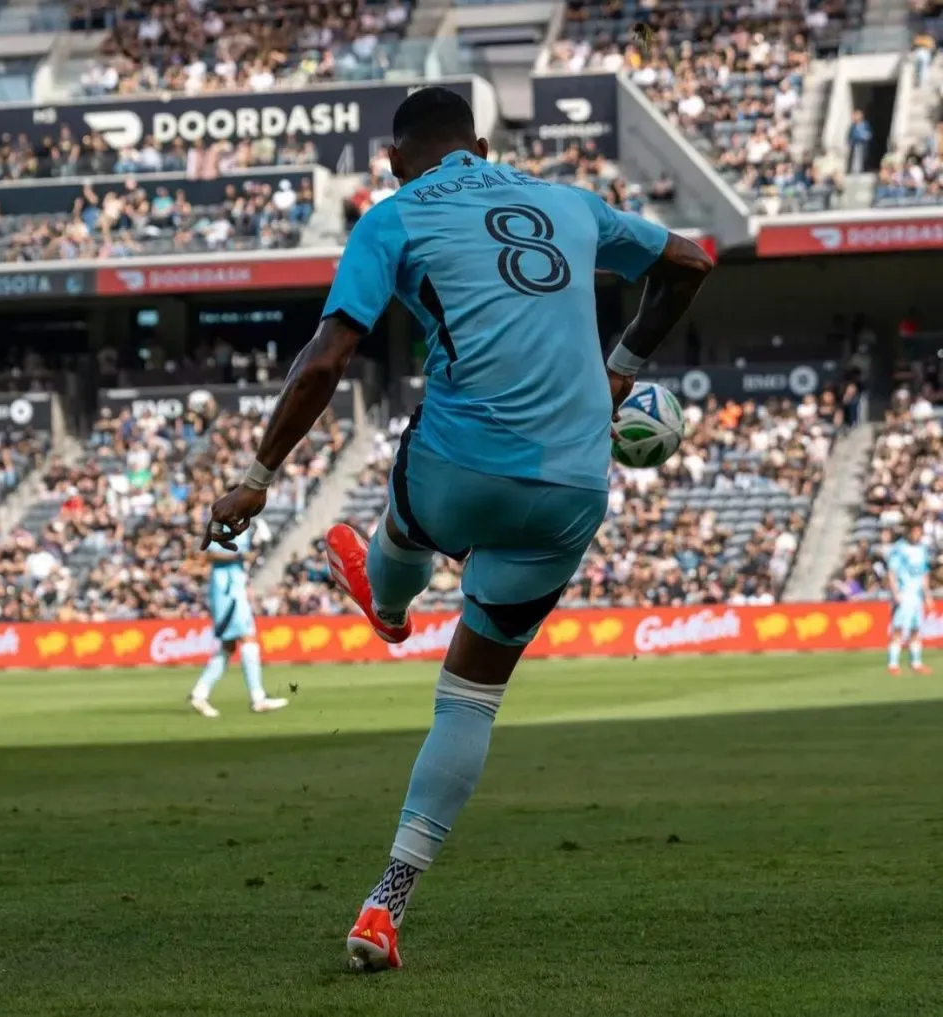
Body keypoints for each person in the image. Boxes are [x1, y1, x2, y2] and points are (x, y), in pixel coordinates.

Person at [201, 87, 712, 969]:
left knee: (415, 490)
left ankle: (389, 599)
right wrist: (619, 366)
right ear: (481, 144)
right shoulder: (568, 201)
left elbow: (327, 357)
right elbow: (693, 260)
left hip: (462, 466)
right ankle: (384, 903)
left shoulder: (390, 218)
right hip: (573, 482)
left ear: (397, 161)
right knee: (471, 697)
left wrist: (257, 478)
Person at [188, 523, 288, 717]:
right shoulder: (224, 522)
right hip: (227, 590)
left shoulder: (243, 525)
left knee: (229, 646)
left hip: (234, 587)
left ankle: (199, 694)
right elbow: (209, 554)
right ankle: (258, 698)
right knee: (248, 638)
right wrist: (241, 556)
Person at [886, 522, 934, 676]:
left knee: (915, 629)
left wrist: (927, 594)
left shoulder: (922, 549)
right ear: (908, 532)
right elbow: (892, 572)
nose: (917, 535)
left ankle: (916, 663)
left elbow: (924, 573)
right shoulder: (899, 549)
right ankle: (893, 664)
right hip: (904, 594)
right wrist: (895, 593)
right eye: (914, 531)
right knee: (899, 629)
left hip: (917, 596)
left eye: (919, 532)